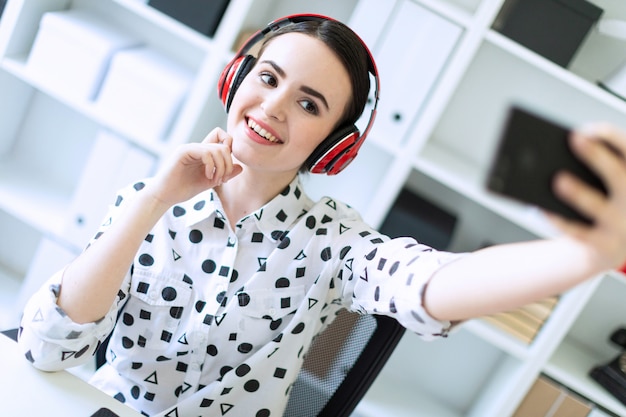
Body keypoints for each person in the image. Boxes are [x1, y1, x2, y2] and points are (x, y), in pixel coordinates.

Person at [17, 13, 626, 417]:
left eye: (308, 103)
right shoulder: (150, 200)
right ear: (236, 80)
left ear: (334, 143)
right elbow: (47, 350)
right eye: (268, 78)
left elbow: (431, 284)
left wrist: (584, 256)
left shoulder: (335, 243)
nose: (274, 107)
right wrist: (152, 202)